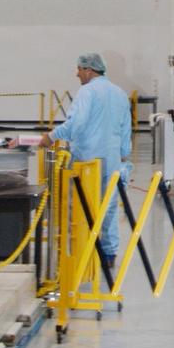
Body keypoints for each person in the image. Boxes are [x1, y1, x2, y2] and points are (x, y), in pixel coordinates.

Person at [39, 53, 132, 267]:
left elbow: (76, 123)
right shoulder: (119, 93)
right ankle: (108, 254)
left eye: (79, 69)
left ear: (89, 70)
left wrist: (51, 137)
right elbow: (126, 130)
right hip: (113, 159)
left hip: (87, 160)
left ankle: (83, 249)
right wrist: (124, 156)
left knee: (81, 205)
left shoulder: (87, 92)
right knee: (108, 206)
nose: (77, 73)